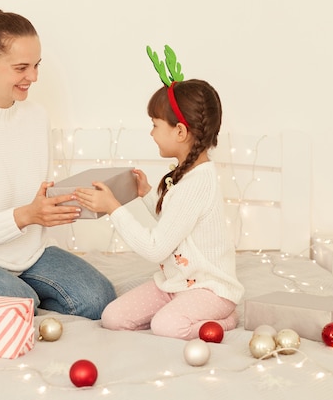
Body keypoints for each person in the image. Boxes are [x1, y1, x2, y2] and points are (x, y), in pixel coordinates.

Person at [0, 0, 116, 320]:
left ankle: (9, 296)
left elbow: (34, 196)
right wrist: (27, 216)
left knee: (100, 298)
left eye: (36, 65)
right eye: (21, 68)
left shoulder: (36, 117)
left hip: (30, 255)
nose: (33, 77)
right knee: (21, 304)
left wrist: (69, 202)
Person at [75, 78, 244, 339]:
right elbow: (176, 222)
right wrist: (147, 195)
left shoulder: (197, 183)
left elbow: (156, 248)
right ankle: (179, 310)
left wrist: (113, 209)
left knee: (166, 326)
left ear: (180, 131)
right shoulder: (187, 174)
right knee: (112, 317)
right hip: (175, 284)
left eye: (155, 125)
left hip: (211, 290)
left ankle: (225, 319)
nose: (151, 133)